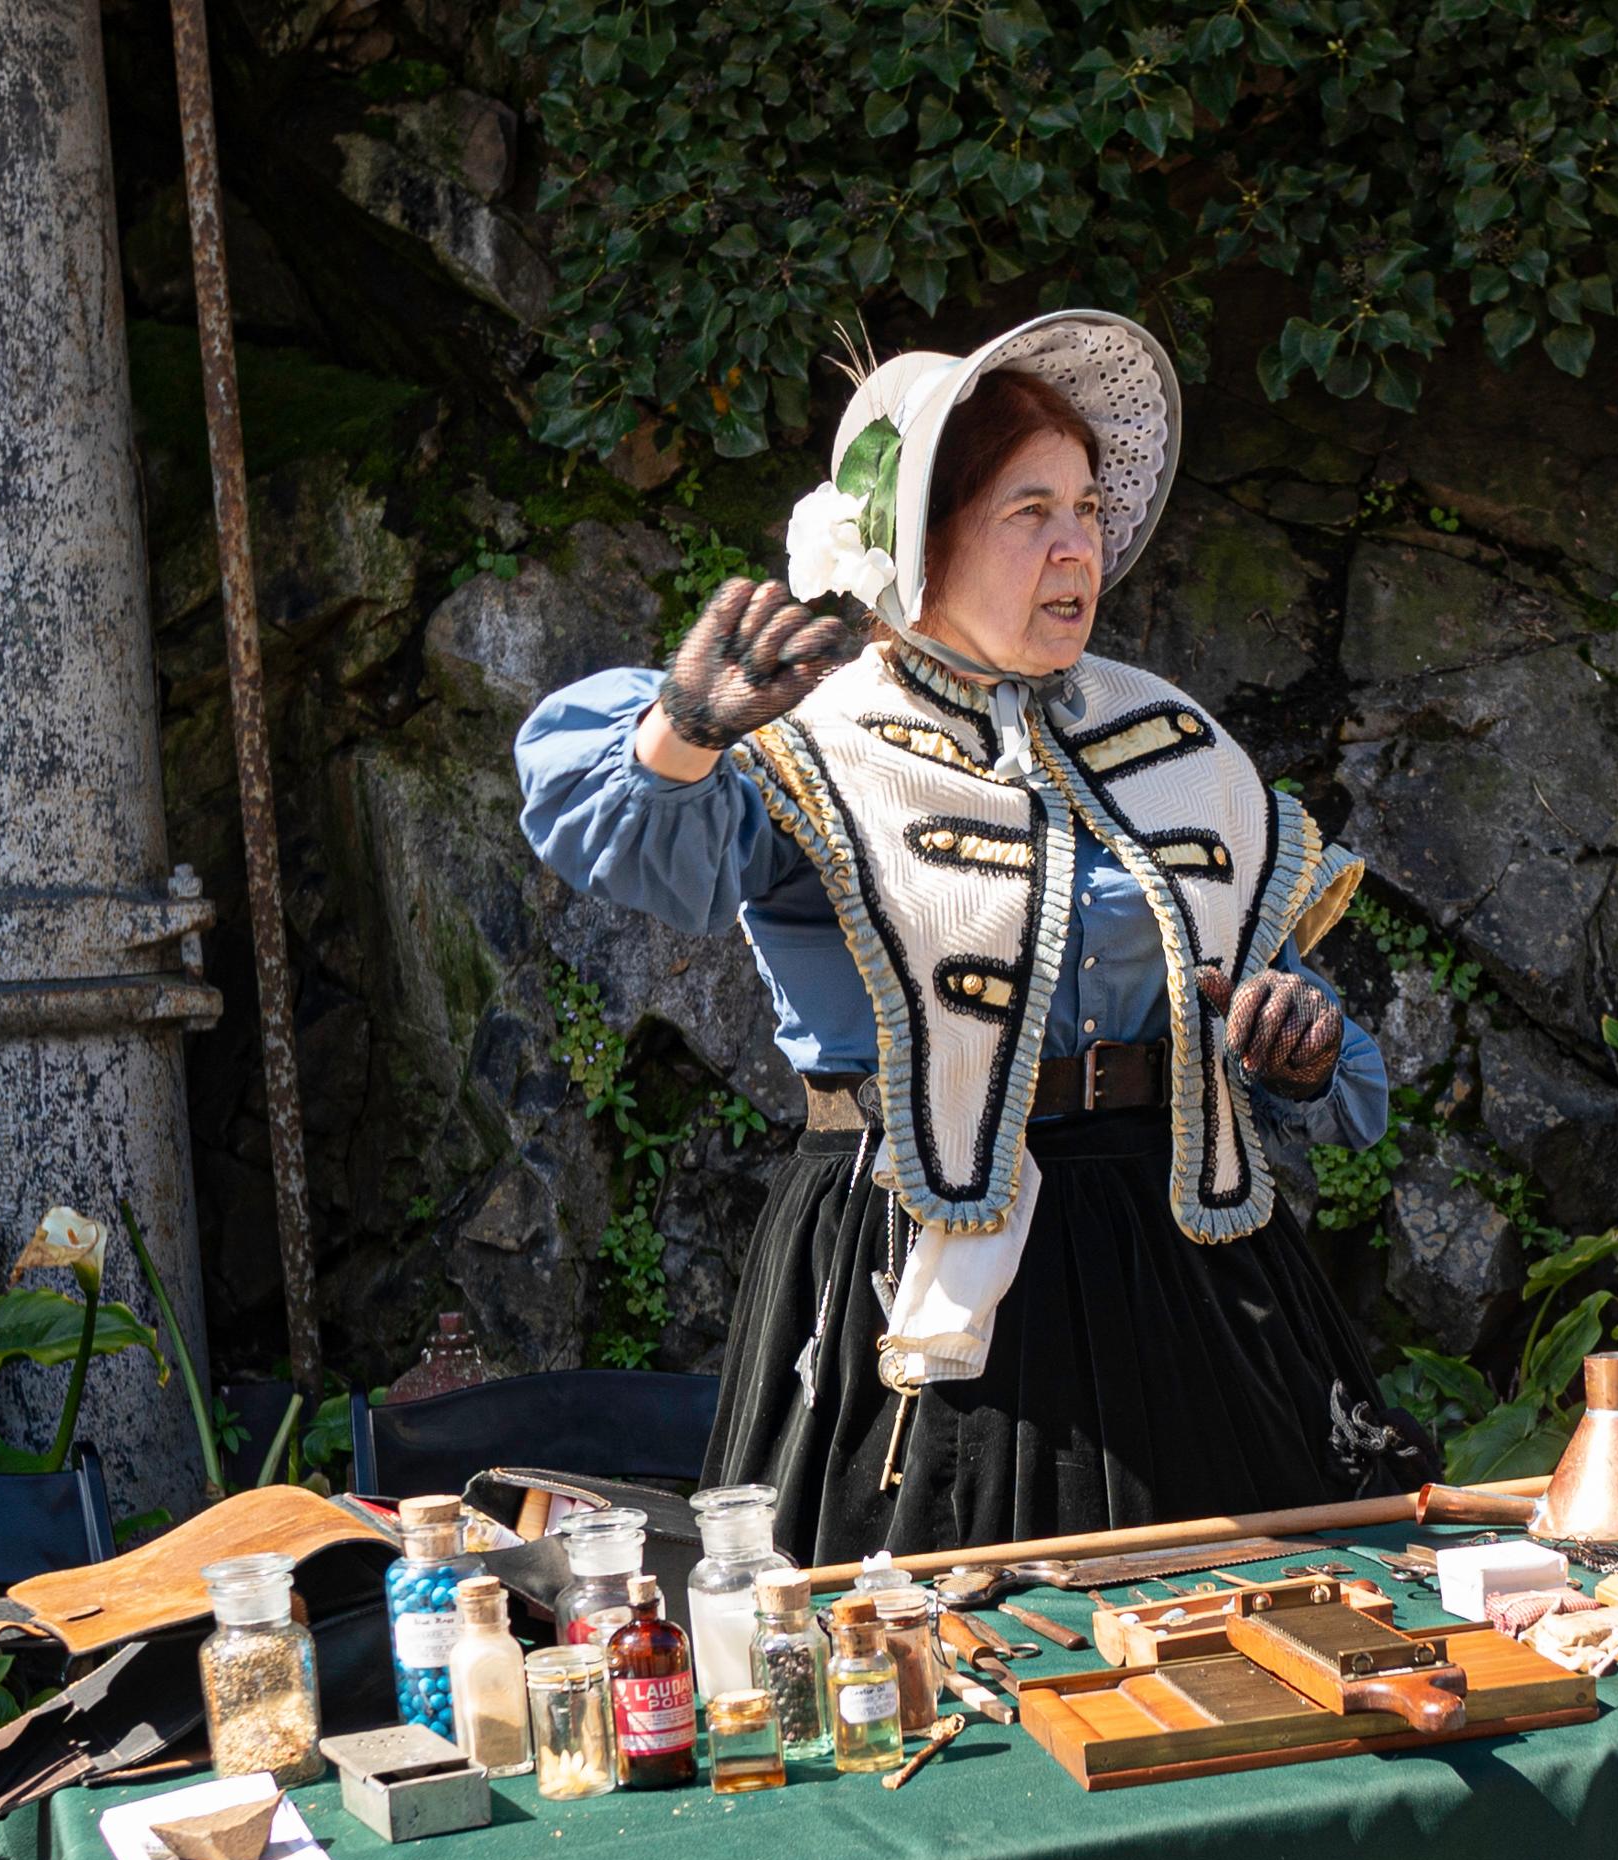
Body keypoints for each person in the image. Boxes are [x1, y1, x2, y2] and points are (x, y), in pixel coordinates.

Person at [516, 312, 1424, 1562]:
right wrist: (683, 731)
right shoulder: (819, 745)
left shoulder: (1169, 742)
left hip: (1181, 1267)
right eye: (1028, 511)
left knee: (1257, 1629)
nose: (1077, 546)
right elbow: (627, 844)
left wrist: (1300, 1049)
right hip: (920, 1272)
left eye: (1088, 509)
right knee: (950, 1636)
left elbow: (1297, 1023)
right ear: (920, 544)